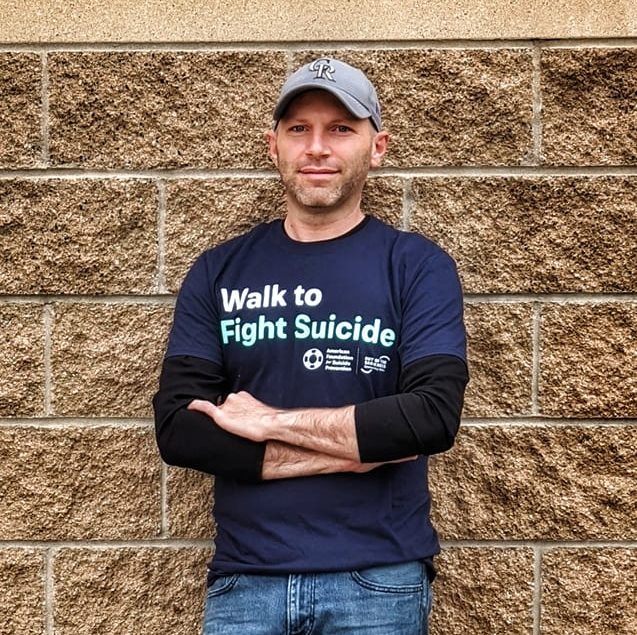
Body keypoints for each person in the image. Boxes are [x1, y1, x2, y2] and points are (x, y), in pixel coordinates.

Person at [153, 57, 469, 635]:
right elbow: (180, 430)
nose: (317, 147)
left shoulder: (417, 266)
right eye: (299, 128)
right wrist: (358, 449)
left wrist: (267, 422)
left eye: (341, 129)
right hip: (245, 581)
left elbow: (429, 419)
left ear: (377, 147)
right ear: (273, 145)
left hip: (379, 582)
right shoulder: (219, 271)